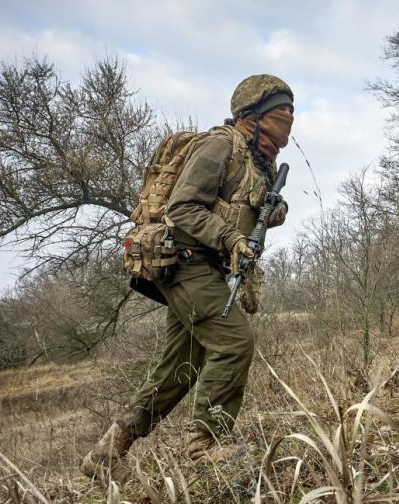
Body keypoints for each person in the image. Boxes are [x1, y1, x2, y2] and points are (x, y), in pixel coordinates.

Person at [80, 74, 294, 482]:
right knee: (234, 341)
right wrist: (230, 237)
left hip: (204, 267)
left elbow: (239, 209)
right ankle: (205, 445)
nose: (290, 119)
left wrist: (271, 211)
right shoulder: (219, 147)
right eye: (283, 111)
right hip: (184, 262)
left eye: (292, 112)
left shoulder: (259, 163)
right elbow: (182, 209)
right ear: (256, 114)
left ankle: (105, 454)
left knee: (182, 365)